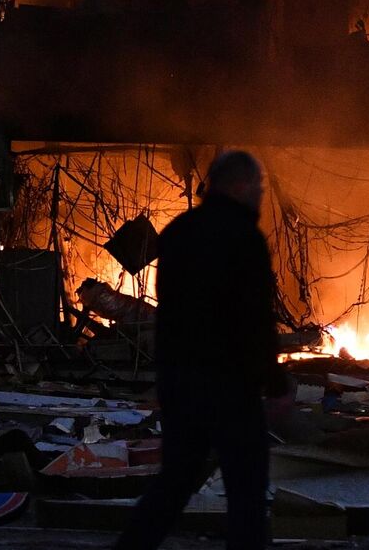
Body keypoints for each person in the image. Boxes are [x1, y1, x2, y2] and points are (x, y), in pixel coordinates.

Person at [118, 150, 282, 550]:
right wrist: (274, 380)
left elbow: (168, 313)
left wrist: (167, 378)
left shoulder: (178, 232)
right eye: (258, 186)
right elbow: (254, 316)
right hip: (231, 386)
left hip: (182, 382)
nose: (261, 195)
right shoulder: (245, 237)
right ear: (239, 185)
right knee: (246, 490)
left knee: (176, 481)